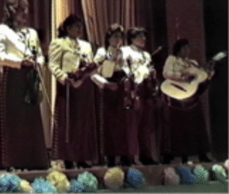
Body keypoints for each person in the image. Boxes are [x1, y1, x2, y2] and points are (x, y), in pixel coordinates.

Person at [0, 0, 48, 170]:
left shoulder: (31, 32)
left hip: (30, 77)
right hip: (13, 76)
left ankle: (33, 161)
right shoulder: (2, 30)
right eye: (20, 10)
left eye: (25, 10)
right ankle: (12, 162)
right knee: (14, 119)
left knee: (31, 120)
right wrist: (19, 62)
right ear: (10, 12)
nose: (24, 14)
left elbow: (39, 54)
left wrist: (38, 62)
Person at [48, 14, 98, 169]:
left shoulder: (86, 46)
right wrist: (65, 78)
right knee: (68, 122)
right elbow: (53, 65)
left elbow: (91, 64)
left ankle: (83, 157)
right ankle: (68, 158)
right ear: (68, 28)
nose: (79, 29)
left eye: (80, 26)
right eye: (76, 26)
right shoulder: (59, 43)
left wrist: (88, 72)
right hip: (68, 86)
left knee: (84, 122)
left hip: (85, 86)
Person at [162, 38, 212, 164]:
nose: (187, 50)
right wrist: (182, 77)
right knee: (177, 128)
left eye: (188, 48)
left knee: (197, 127)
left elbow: (199, 80)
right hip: (176, 98)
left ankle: (202, 154)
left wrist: (207, 76)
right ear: (178, 49)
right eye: (184, 48)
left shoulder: (192, 63)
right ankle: (173, 155)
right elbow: (166, 73)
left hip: (191, 98)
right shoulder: (172, 59)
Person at [91, 24, 132, 167]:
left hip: (121, 88)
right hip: (108, 89)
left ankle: (124, 155)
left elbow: (126, 69)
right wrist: (106, 84)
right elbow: (93, 73)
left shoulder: (123, 52)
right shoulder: (102, 52)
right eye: (115, 36)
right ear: (108, 37)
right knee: (109, 124)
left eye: (120, 36)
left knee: (123, 124)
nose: (118, 39)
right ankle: (110, 157)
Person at [123, 27, 160, 165]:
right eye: (140, 36)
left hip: (146, 90)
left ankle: (146, 155)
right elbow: (126, 70)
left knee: (146, 124)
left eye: (144, 36)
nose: (144, 39)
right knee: (133, 124)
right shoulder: (126, 51)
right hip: (134, 89)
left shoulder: (146, 55)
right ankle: (131, 156)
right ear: (132, 38)